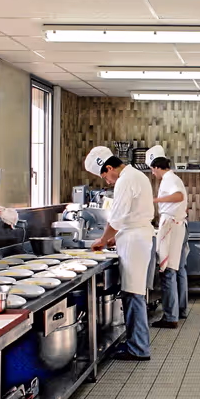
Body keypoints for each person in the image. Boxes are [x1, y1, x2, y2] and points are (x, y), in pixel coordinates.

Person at [85, 146, 155, 361]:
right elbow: (131, 215)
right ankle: (137, 343)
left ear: (109, 168)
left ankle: (139, 348)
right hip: (137, 237)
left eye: (105, 177)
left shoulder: (125, 180)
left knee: (133, 294)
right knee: (134, 293)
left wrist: (102, 240)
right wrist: (115, 237)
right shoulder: (137, 175)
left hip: (135, 242)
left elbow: (116, 218)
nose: (107, 182)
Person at [147, 147, 188, 328]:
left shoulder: (169, 179)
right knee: (176, 269)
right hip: (177, 225)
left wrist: (155, 200)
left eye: (152, 170)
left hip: (171, 227)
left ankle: (170, 317)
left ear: (157, 167)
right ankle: (179, 310)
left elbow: (179, 196)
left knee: (167, 271)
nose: (153, 173)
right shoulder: (174, 178)